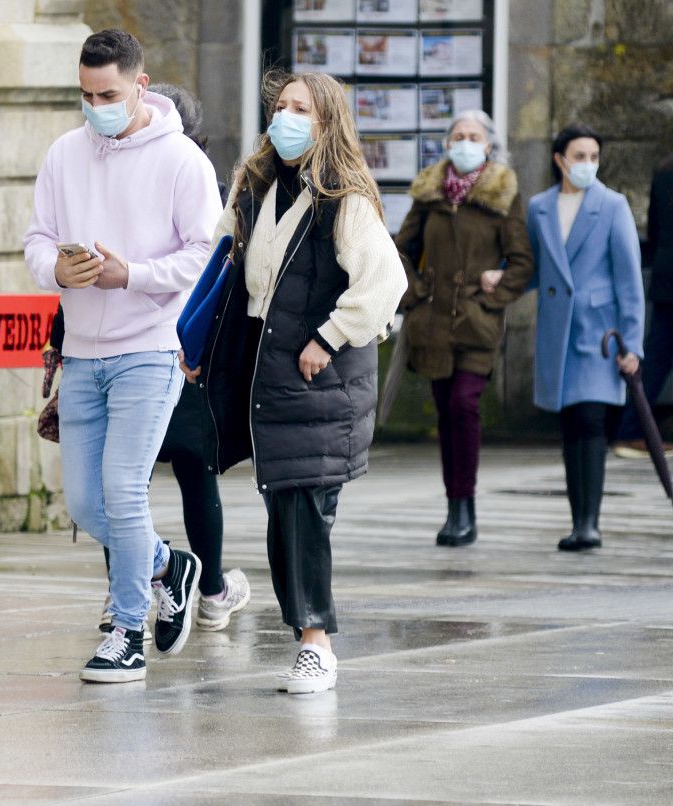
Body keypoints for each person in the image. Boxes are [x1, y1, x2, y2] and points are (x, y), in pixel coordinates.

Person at [185, 69, 403, 694]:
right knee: (285, 504)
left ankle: (316, 643)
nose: (286, 116)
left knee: (304, 506)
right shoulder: (253, 186)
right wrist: (201, 341)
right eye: (281, 105)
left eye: (301, 108)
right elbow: (221, 272)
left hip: (318, 372)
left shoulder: (346, 197)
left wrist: (327, 337)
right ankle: (306, 635)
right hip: (264, 362)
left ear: (327, 120)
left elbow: (385, 282)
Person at [24, 29, 222, 683]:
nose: (94, 106)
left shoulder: (183, 162)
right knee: (85, 505)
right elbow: (36, 240)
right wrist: (57, 268)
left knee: (123, 489)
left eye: (106, 93)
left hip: (149, 348)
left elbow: (205, 255)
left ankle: (126, 628)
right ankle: (170, 563)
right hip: (82, 352)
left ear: (139, 85)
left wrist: (130, 275)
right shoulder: (63, 154)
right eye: (84, 94)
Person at [94, 82, 250, 636]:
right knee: (183, 472)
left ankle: (134, 597)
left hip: (154, 347)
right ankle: (208, 593)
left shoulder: (136, 180)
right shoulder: (211, 185)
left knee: (125, 481)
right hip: (180, 351)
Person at [396, 110, 533, 547]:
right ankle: (453, 506)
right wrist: (415, 294)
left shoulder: (503, 193)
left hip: (476, 323)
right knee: (445, 412)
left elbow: (523, 261)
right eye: (458, 135)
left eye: (474, 136)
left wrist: (491, 297)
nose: (465, 142)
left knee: (464, 404)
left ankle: (466, 504)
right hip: (433, 322)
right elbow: (399, 250)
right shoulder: (430, 191)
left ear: (489, 146)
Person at [529, 124, 644, 551]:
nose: (588, 165)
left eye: (594, 156)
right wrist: (500, 277)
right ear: (560, 159)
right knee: (571, 425)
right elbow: (533, 267)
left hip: (601, 335)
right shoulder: (539, 206)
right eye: (580, 156)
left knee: (592, 422)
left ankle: (591, 524)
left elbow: (630, 279)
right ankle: (577, 522)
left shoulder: (612, 205)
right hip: (558, 333)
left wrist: (633, 345)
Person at [614, 154, 673, 456]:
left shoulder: (663, 171)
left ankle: (631, 429)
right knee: (658, 358)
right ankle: (631, 430)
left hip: (666, 276)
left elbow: (654, 229)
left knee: (657, 358)